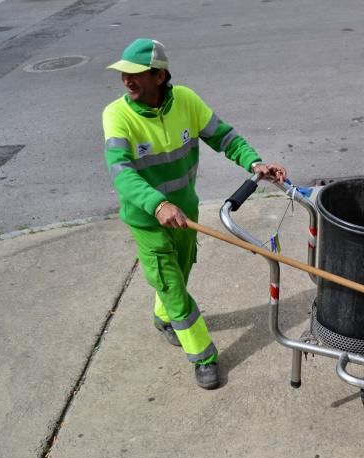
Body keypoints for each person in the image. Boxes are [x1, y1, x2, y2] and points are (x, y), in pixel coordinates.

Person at [102, 38, 287, 389]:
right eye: (123, 74)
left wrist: (255, 162)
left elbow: (224, 137)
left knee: (181, 271)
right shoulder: (116, 114)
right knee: (171, 284)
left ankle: (164, 316)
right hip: (147, 219)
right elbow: (121, 171)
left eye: (135, 74)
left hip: (185, 211)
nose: (126, 80)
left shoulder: (185, 100)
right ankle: (203, 355)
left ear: (159, 76)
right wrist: (156, 204)